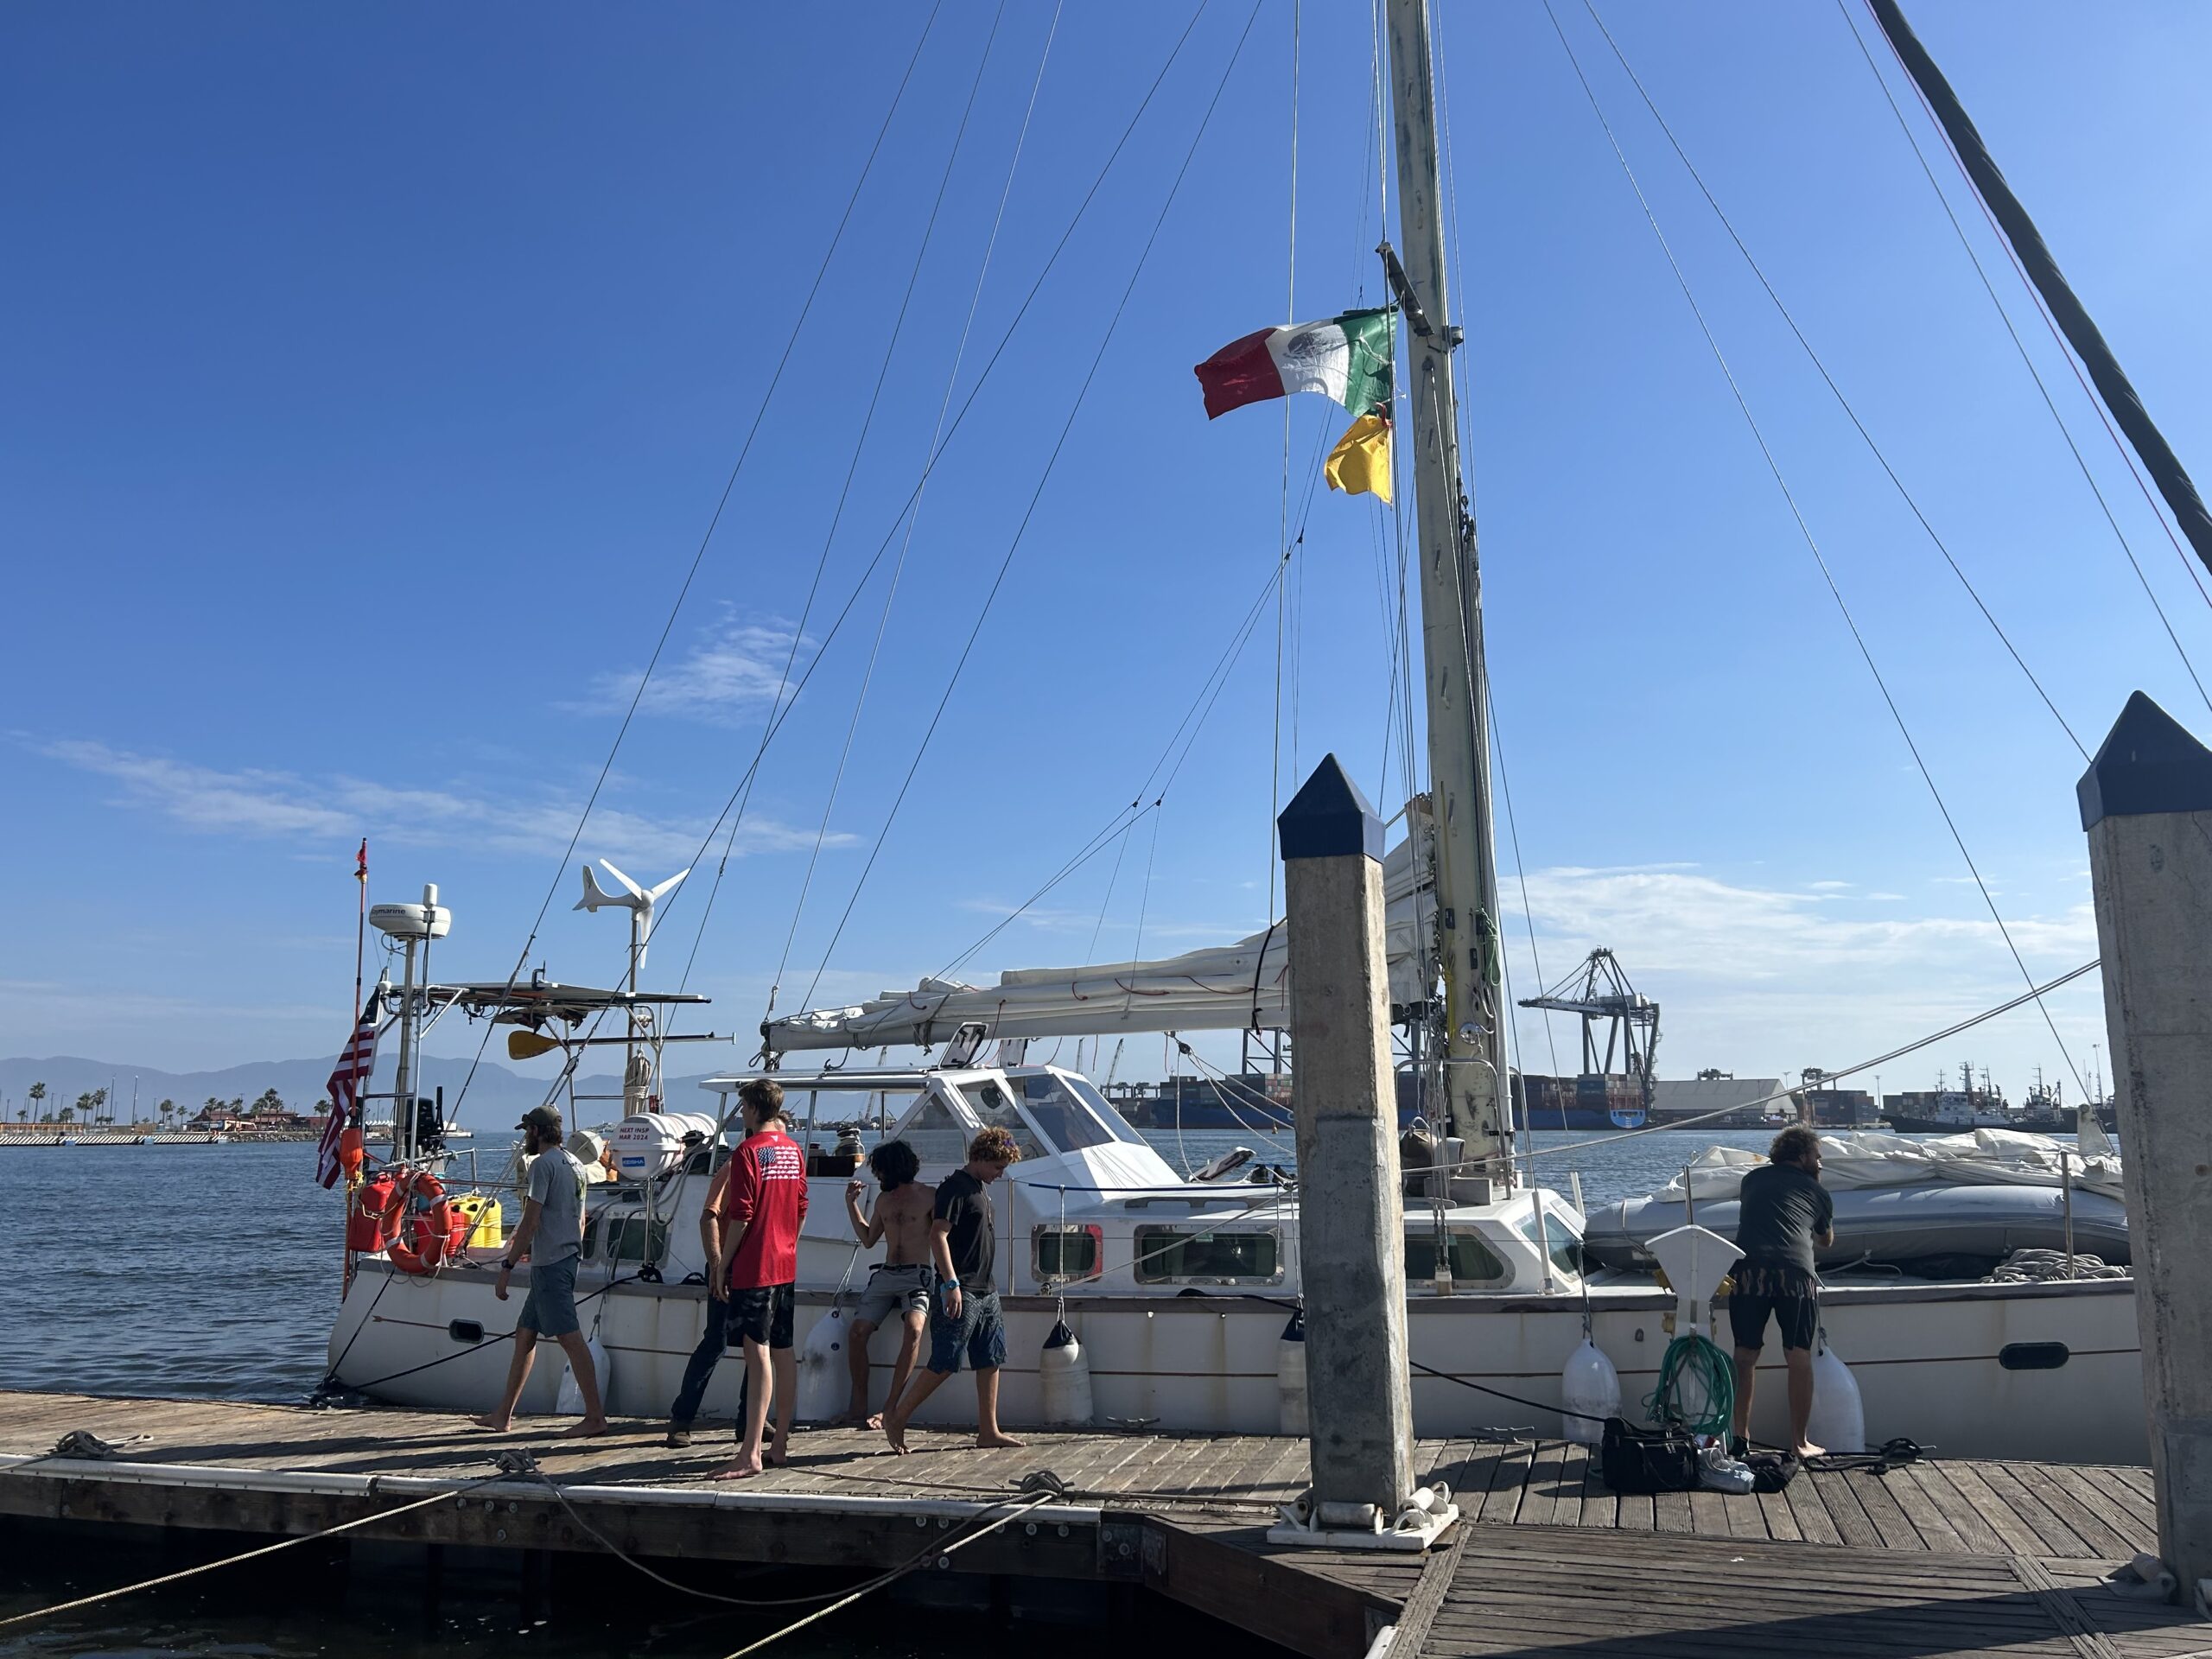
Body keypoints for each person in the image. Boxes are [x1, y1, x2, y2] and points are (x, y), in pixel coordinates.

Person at [881, 1126, 1024, 1454]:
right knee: (945, 1360)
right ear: (979, 1157)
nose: (1000, 1175)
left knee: (990, 1357)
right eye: (997, 1167)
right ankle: (898, 1416)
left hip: (986, 1289)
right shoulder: (955, 1189)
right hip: (963, 1288)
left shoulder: (979, 1187)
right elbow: (937, 1236)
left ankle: (988, 1429)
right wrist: (951, 1283)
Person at [472, 1106, 607, 1437]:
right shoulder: (575, 1163)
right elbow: (581, 1217)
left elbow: (531, 1221)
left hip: (551, 1266)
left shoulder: (542, 1166)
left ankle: (595, 1417)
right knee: (526, 1335)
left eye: (526, 1131)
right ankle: (503, 1414)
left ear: (537, 1131)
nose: (524, 1137)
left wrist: (506, 1266)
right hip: (563, 1260)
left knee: (571, 1339)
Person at [709, 1079, 808, 1479]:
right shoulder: (793, 1149)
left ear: (752, 1107)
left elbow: (742, 1214)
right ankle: (779, 1443)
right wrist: (788, 1243)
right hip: (785, 1264)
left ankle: (750, 1452)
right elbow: (801, 1206)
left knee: (758, 1353)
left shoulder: (748, 1152)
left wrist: (722, 1265)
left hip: (755, 1267)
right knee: (783, 1352)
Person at [1728, 1123, 1835, 1459]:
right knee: (1798, 1357)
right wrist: (1814, 1187)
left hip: (1749, 1272)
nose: (1820, 1163)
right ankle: (1800, 1443)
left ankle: (1740, 1439)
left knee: (1745, 1357)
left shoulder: (1751, 1180)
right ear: (1803, 1156)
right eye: (1817, 1157)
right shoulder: (1818, 1191)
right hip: (1795, 1274)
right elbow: (1825, 1241)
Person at [838, 1139, 934, 1427]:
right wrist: (851, 1204)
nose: (877, 1176)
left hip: (917, 1274)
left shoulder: (930, 1196)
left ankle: (890, 1408)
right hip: (887, 1273)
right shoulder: (883, 1201)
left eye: (879, 1170)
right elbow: (869, 1240)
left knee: (914, 1329)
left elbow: (944, 1236)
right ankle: (857, 1407)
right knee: (857, 1333)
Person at [664, 1151, 736, 1448]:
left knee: (761, 1346)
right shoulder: (735, 1167)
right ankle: (682, 1419)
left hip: (761, 1267)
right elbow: (709, 1214)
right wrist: (717, 1264)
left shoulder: (779, 1164)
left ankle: (750, 1420)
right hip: (729, 1268)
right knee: (715, 1343)